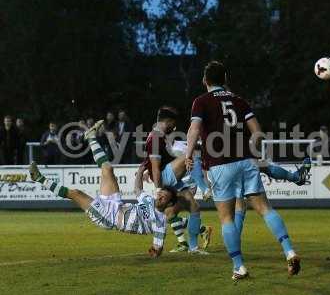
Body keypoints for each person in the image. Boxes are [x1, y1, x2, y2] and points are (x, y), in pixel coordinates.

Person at [185, 61, 301, 280]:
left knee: (226, 218)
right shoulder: (239, 101)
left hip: (220, 165)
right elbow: (257, 132)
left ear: (205, 80)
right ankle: (289, 251)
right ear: (225, 79)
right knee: (265, 209)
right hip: (246, 161)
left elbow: (194, 128)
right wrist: (253, 154)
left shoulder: (201, 101)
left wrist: (188, 154)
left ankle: (239, 266)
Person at [29, 120, 177, 257]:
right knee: (107, 168)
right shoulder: (149, 200)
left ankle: (39, 178)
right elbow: (138, 190)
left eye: (163, 197)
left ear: (169, 204)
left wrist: (153, 252)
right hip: (116, 204)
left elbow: (157, 249)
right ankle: (91, 136)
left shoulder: (160, 222)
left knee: (75, 193)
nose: (160, 197)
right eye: (160, 194)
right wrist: (140, 169)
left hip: (108, 217)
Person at [143, 106, 212, 254]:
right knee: (189, 155)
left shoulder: (159, 136)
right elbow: (156, 167)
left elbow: (155, 161)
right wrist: (158, 190)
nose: (174, 127)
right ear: (166, 121)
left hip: (170, 177)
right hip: (165, 178)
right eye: (172, 123)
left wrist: (145, 170)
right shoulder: (155, 138)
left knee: (194, 208)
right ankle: (205, 188)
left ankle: (193, 248)